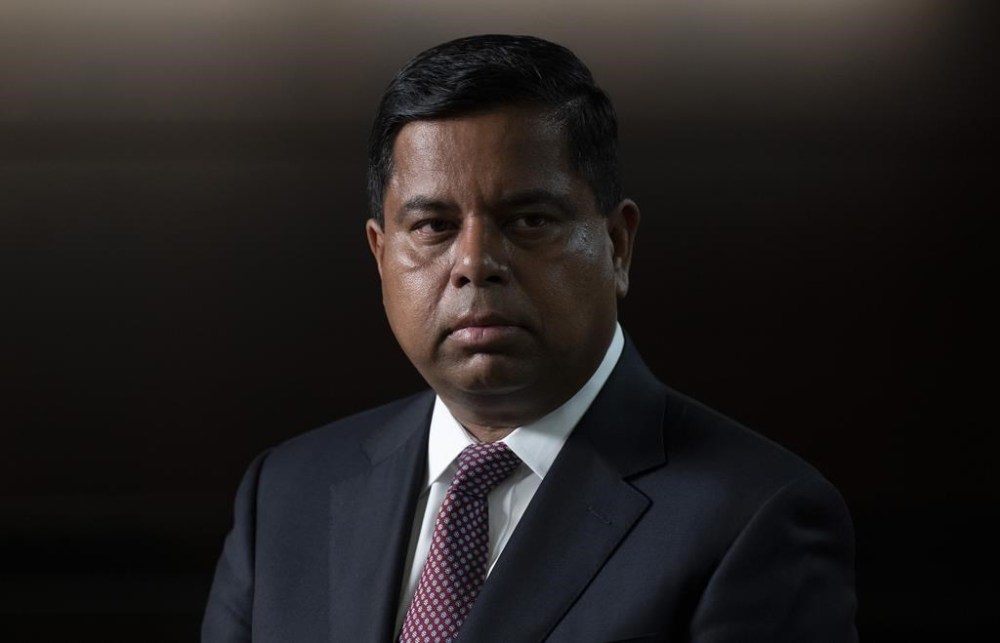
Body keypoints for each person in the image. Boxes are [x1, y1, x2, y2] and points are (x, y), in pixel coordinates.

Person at [202, 34, 857, 642]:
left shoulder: (757, 515)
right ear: (380, 255)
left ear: (618, 244)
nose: (474, 262)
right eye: (433, 226)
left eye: (530, 219)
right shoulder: (285, 494)